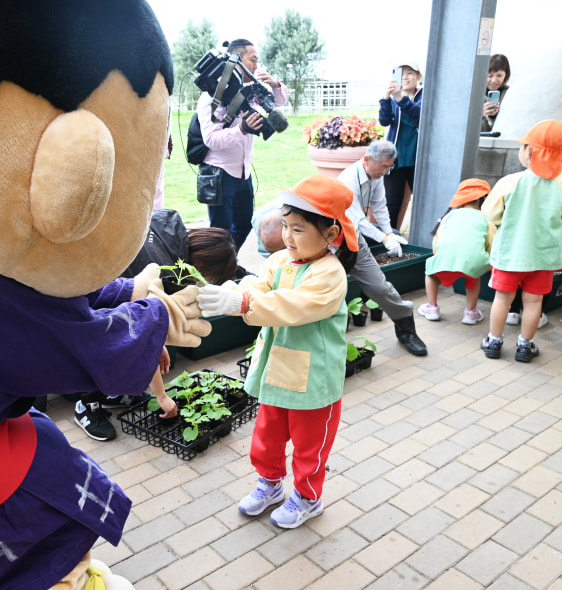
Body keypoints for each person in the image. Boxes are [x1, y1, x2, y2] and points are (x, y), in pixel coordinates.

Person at [197, 175, 359, 529]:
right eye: (286, 226)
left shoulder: (330, 274)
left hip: (313, 378)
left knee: (309, 444)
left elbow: (291, 305)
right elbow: (259, 284)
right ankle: (270, 483)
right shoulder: (282, 260)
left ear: (330, 235)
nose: (288, 236)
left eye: (299, 229)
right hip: (277, 370)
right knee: (267, 435)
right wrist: (234, 291)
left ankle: (308, 497)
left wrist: (241, 302)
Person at [74, 210, 239, 440]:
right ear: (203, 264)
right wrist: (161, 396)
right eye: (207, 277)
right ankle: (86, 404)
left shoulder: (169, 226)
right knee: (119, 342)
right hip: (84, 302)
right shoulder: (164, 269)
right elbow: (140, 332)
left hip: (88, 275)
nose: (200, 282)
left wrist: (156, 340)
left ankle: (112, 395)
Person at [251, 159, 429, 357]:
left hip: (347, 246)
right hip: (307, 254)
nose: (288, 240)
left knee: (378, 287)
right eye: (285, 229)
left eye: (296, 231)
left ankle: (405, 325)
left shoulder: (332, 220)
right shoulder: (265, 223)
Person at [480, 119, 562, 362]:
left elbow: (490, 214)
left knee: (502, 299)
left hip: (510, 253)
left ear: (530, 150)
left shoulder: (510, 181)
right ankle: (525, 346)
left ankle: (494, 341)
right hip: (544, 256)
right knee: (534, 301)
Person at [198, 38, 288, 249]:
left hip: (243, 174)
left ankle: (229, 263)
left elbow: (278, 102)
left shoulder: (250, 90)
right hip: (219, 173)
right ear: (236, 60)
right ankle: (220, 273)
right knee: (220, 231)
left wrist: (275, 84)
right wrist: (241, 130)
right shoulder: (212, 96)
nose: (257, 66)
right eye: (253, 60)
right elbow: (210, 139)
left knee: (244, 224)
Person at [418, 179, 496, 324]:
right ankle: (470, 313)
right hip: (475, 264)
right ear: (483, 201)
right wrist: (488, 264)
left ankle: (432, 308)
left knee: (431, 273)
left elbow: (437, 242)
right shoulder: (485, 220)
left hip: (446, 259)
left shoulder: (448, 217)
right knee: (473, 277)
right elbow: (492, 244)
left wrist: (440, 258)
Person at [379, 61, 423, 229]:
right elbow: (384, 120)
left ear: (419, 76)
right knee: (392, 202)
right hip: (396, 157)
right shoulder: (393, 98)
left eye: (410, 73)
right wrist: (386, 97)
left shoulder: (423, 95)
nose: (405, 77)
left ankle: (420, 237)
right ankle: (390, 240)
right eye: (401, 74)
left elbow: (417, 114)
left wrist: (399, 97)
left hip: (417, 156)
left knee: (421, 200)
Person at [481, 53, 511, 133]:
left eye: (499, 75)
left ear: (506, 75)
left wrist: (494, 117)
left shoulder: (509, 95)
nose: (494, 80)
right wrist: (480, 115)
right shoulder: (476, 94)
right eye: (490, 76)